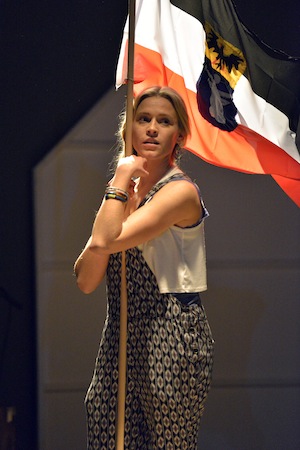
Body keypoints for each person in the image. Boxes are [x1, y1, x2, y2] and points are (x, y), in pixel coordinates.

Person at [74, 86, 214, 450]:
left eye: (164, 121)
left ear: (179, 136)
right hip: (121, 327)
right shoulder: (121, 197)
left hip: (171, 329)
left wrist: (119, 182)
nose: (152, 128)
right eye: (143, 119)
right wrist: (121, 190)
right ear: (129, 131)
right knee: (107, 433)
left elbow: (106, 241)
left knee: (167, 443)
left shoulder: (180, 192)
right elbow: (87, 280)